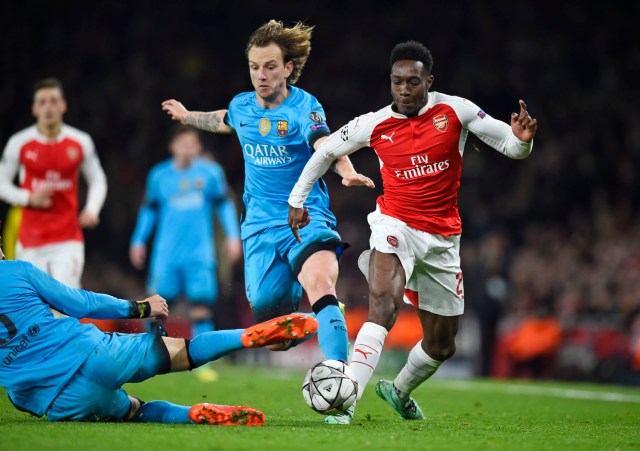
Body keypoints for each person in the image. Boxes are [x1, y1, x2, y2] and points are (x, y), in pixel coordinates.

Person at [288, 40, 537, 424]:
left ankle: (399, 390)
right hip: (394, 224)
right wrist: (297, 199)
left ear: (428, 81)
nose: (404, 90)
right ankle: (347, 399)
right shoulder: (373, 123)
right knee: (383, 305)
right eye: (397, 82)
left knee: (442, 344)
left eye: (413, 82)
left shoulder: (456, 110)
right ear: (390, 82)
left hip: (442, 239)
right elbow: (324, 152)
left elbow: (511, 145)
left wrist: (524, 140)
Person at [161, 21, 372, 372]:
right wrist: (187, 117)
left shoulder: (305, 107)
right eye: (254, 67)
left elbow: (325, 144)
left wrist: (345, 170)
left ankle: (340, 378)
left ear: (288, 68)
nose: (261, 75)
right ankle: (326, 316)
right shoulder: (243, 106)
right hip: (258, 227)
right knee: (276, 338)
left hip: (304, 216)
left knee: (320, 282)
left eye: (270, 67)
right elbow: (223, 119)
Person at [0, 239, 317, 425]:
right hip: (91, 352)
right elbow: (79, 303)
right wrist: (139, 308)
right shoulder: (17, 271)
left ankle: (191, 414)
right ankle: (246, 337)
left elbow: (18, 398)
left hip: (63, 398)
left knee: (135, 412)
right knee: (185, 352)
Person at [130, 125, 242, 341]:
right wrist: (138, 240)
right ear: (172, 146)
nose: (187, 149)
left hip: (200, 255)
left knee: (201, 306)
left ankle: (202, 364)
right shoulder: (159, 175)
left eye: (192, 144)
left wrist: (232, 236)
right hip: (166, 255)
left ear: (199, 147)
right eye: (182, 144)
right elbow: (149, 210)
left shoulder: (210, 173)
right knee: (156, 307)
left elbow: (224, 204)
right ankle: (151, 355)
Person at [0, 78, 107, 288]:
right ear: (34, 108)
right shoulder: (19, 143)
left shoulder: (80, 141)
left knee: (66, 303)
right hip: (31, 240)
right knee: (34, 305)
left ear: (63, 105)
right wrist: (28, 197)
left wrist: (92, 209)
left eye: (53, 101)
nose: (48, 107)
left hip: (67, 239)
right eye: (42, 102)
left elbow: (98, 179)